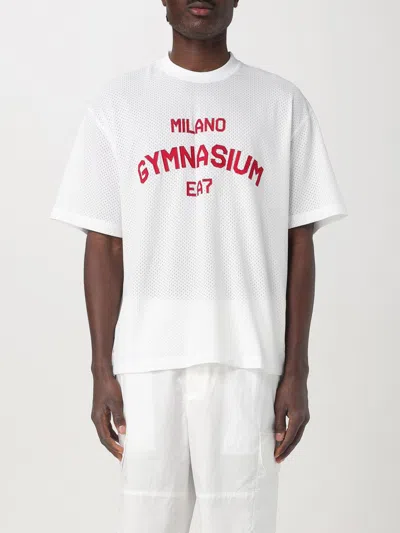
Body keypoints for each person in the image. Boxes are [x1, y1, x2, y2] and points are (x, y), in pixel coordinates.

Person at [50, 1, 347, 531]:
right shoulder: (118, 104)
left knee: (243, 523)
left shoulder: (281, 103)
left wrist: (297, 372)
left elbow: (299, 242)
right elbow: (105, 244)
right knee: (147, 522)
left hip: (248, 356)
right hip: (146, 360)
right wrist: (101, 370)